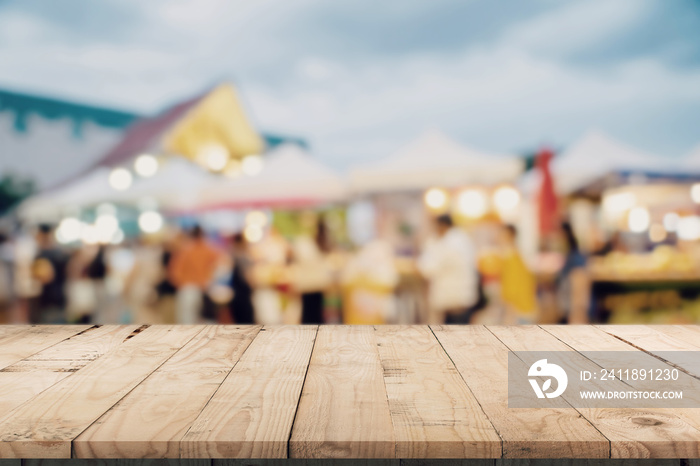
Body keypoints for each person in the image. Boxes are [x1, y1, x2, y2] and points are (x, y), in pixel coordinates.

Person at [417, 214, 479, 324]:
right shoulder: (461, 239)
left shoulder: (451, 242)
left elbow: (430, 267)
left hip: (454, 298)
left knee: (456, 333)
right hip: (459, 297)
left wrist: (418, 266)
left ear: (442, 226)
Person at [168, 225, 220, 324]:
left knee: (187, 322)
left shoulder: (184, 250)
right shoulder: (210, 250)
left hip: (188, 288)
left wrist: (183, 282)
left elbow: (174, 273)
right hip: (205, 288)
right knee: (206, 322)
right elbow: (219, 267)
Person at [498, 224, 538, 324]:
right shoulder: (516, 254)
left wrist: (509, 313)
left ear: (509, 235)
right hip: (524, 308)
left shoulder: (510, 256)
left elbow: (512, 287)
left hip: (519, 311)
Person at [30, 224, 69, 323]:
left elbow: (46, 277)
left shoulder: (43, 254)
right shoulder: (60, 252)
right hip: (60, 296)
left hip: (49, 299)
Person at [556, 222, 590, 324]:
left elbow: (580, 289)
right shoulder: (568, 256)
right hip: (567, 312)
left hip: (574, 315)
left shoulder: (575, 258)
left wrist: (576, 315)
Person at [228, 232, 255, 324]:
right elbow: (249, 278)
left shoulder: (232, 255)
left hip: (236, 297)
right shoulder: (243, 257)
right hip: (244, 297)